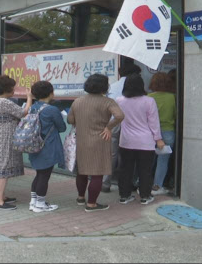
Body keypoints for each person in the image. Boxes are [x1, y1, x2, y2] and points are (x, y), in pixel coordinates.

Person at [67, 74, 124, 212]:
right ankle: (92, 204)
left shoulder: (77, 101)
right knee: (97, 173)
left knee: (82, 171)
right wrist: (108, 127)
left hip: (81, 140)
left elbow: (70, 120)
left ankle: (81, 198)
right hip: (100, 140)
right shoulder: (108, 102)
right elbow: (120, 115)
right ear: (105, 86)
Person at [116, 74, 165, 205]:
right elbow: (154, 122)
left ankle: (124, 196)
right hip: (145, 142)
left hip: (126, 141)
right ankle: (145, 196)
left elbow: (115, 119)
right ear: (141, 85)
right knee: (145, 170)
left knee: (125, 169)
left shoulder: (119, 100)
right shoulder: (149, 101)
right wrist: (158, 139)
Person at [0, 75, 32, 210]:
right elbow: (23, 112)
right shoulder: (4, 102)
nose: (14, 89)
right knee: (3, 170)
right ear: (7, 89)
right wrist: (29, 98)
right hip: (4, 140)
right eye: (12, 87)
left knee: (0, 169)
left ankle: (2, 196)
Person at [28, 81, 67, 213]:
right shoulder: (52, 109)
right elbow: (62, 127)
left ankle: (33, 202)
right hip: (47, 146)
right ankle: (40, 204)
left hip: (34, 144)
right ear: (51, 93)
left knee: (39, 174)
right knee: (44, 175)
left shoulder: (33, 107)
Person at [102, 63, 142, 193]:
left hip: (112, 123)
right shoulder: (136, 88)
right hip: (130, 124)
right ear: (135, 74)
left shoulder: (111, 87)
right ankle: (127, 183)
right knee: (128, 155)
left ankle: (105, 183)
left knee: (111, 154)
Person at [148, 73, 176, 196]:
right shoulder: (173, 97)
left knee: (148, 159)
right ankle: (157, 185)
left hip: (151, 132)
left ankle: (141, 182)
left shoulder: (148, 97)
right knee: (163, 160)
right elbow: (176, 114)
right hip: (168, 131)